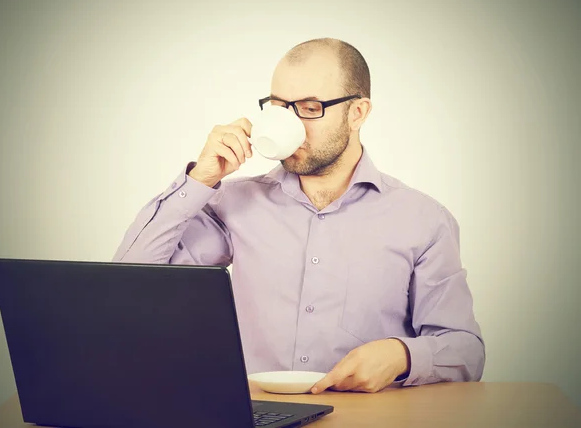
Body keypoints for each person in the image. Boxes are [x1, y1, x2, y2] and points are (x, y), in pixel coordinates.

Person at [113, 37, 485, 394]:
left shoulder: (422, 219)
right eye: (278, 107)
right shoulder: (234, 203)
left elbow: (465, 350)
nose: (290, 124)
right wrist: (200, 179)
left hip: (370, 418)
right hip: (256, 414)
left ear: (357, 113)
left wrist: (402, 355)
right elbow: (130, 282)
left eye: (309, 108)